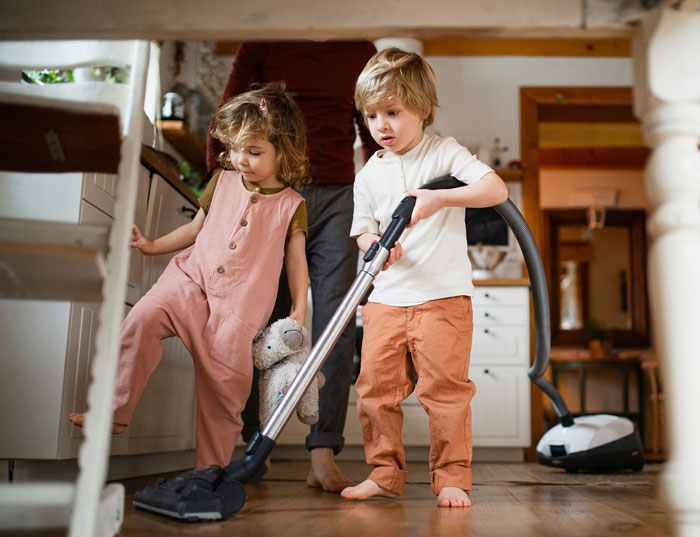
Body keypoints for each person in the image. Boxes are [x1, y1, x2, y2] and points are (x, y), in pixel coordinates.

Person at [69, 83, 310, 469]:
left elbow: (296, 261)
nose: (240, 160)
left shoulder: (291, 206)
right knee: (141, 320)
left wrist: (299, 308)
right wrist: (152, 244)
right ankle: (113, 410)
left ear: (284, 151)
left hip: (236, 312)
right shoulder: (223, 180)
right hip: (188, 281)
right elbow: (196, 229)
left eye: (254, 152)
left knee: (224, 394)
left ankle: (208, 474)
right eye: (234, 149)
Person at [206, 40, 380, 492]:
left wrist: (376, 194)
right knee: (257, 316)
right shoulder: (262, 41)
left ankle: (322, 452)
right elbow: (228, 112)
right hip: (272, 191)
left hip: (341, 195)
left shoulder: (359, 48)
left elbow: (369, 130)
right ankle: (253, 447)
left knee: (336, 320)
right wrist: (221, 192)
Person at [341, 48, 509, 507]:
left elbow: (496, 189)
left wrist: (440, 200)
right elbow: (362, 231)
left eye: (393, 112)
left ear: (422, 107)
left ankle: (452, 477)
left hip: (444, 299)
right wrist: (376, 248)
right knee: (375, 390)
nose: (381, 125)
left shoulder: (442, 152)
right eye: (372, 115)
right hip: (385, 300)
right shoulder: (368, 173)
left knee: (445, 393)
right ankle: (383, 472)